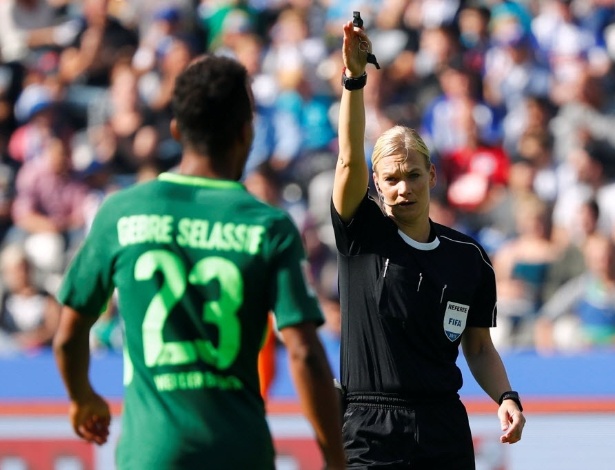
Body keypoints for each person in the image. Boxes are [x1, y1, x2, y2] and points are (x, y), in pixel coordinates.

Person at [52, 55, 345, 469]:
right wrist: (335, 458)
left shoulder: (121, 213)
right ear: (246, 133)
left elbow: (67, 336)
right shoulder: (269, 225)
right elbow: (304, 353)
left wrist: (82, 397)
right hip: (238, 451)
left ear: (176, 130)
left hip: (151, 454)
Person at [331, 20, 526, 469]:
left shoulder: (468, 258)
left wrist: (506, 396)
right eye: (392, 179)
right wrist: (354, 80)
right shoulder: (361, 235)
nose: (404, 188)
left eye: (414, 175)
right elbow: (346, 159)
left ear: (432, 177)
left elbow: (478, 346)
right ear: (375, 185)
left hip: (443, 427)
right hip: (368, 428)